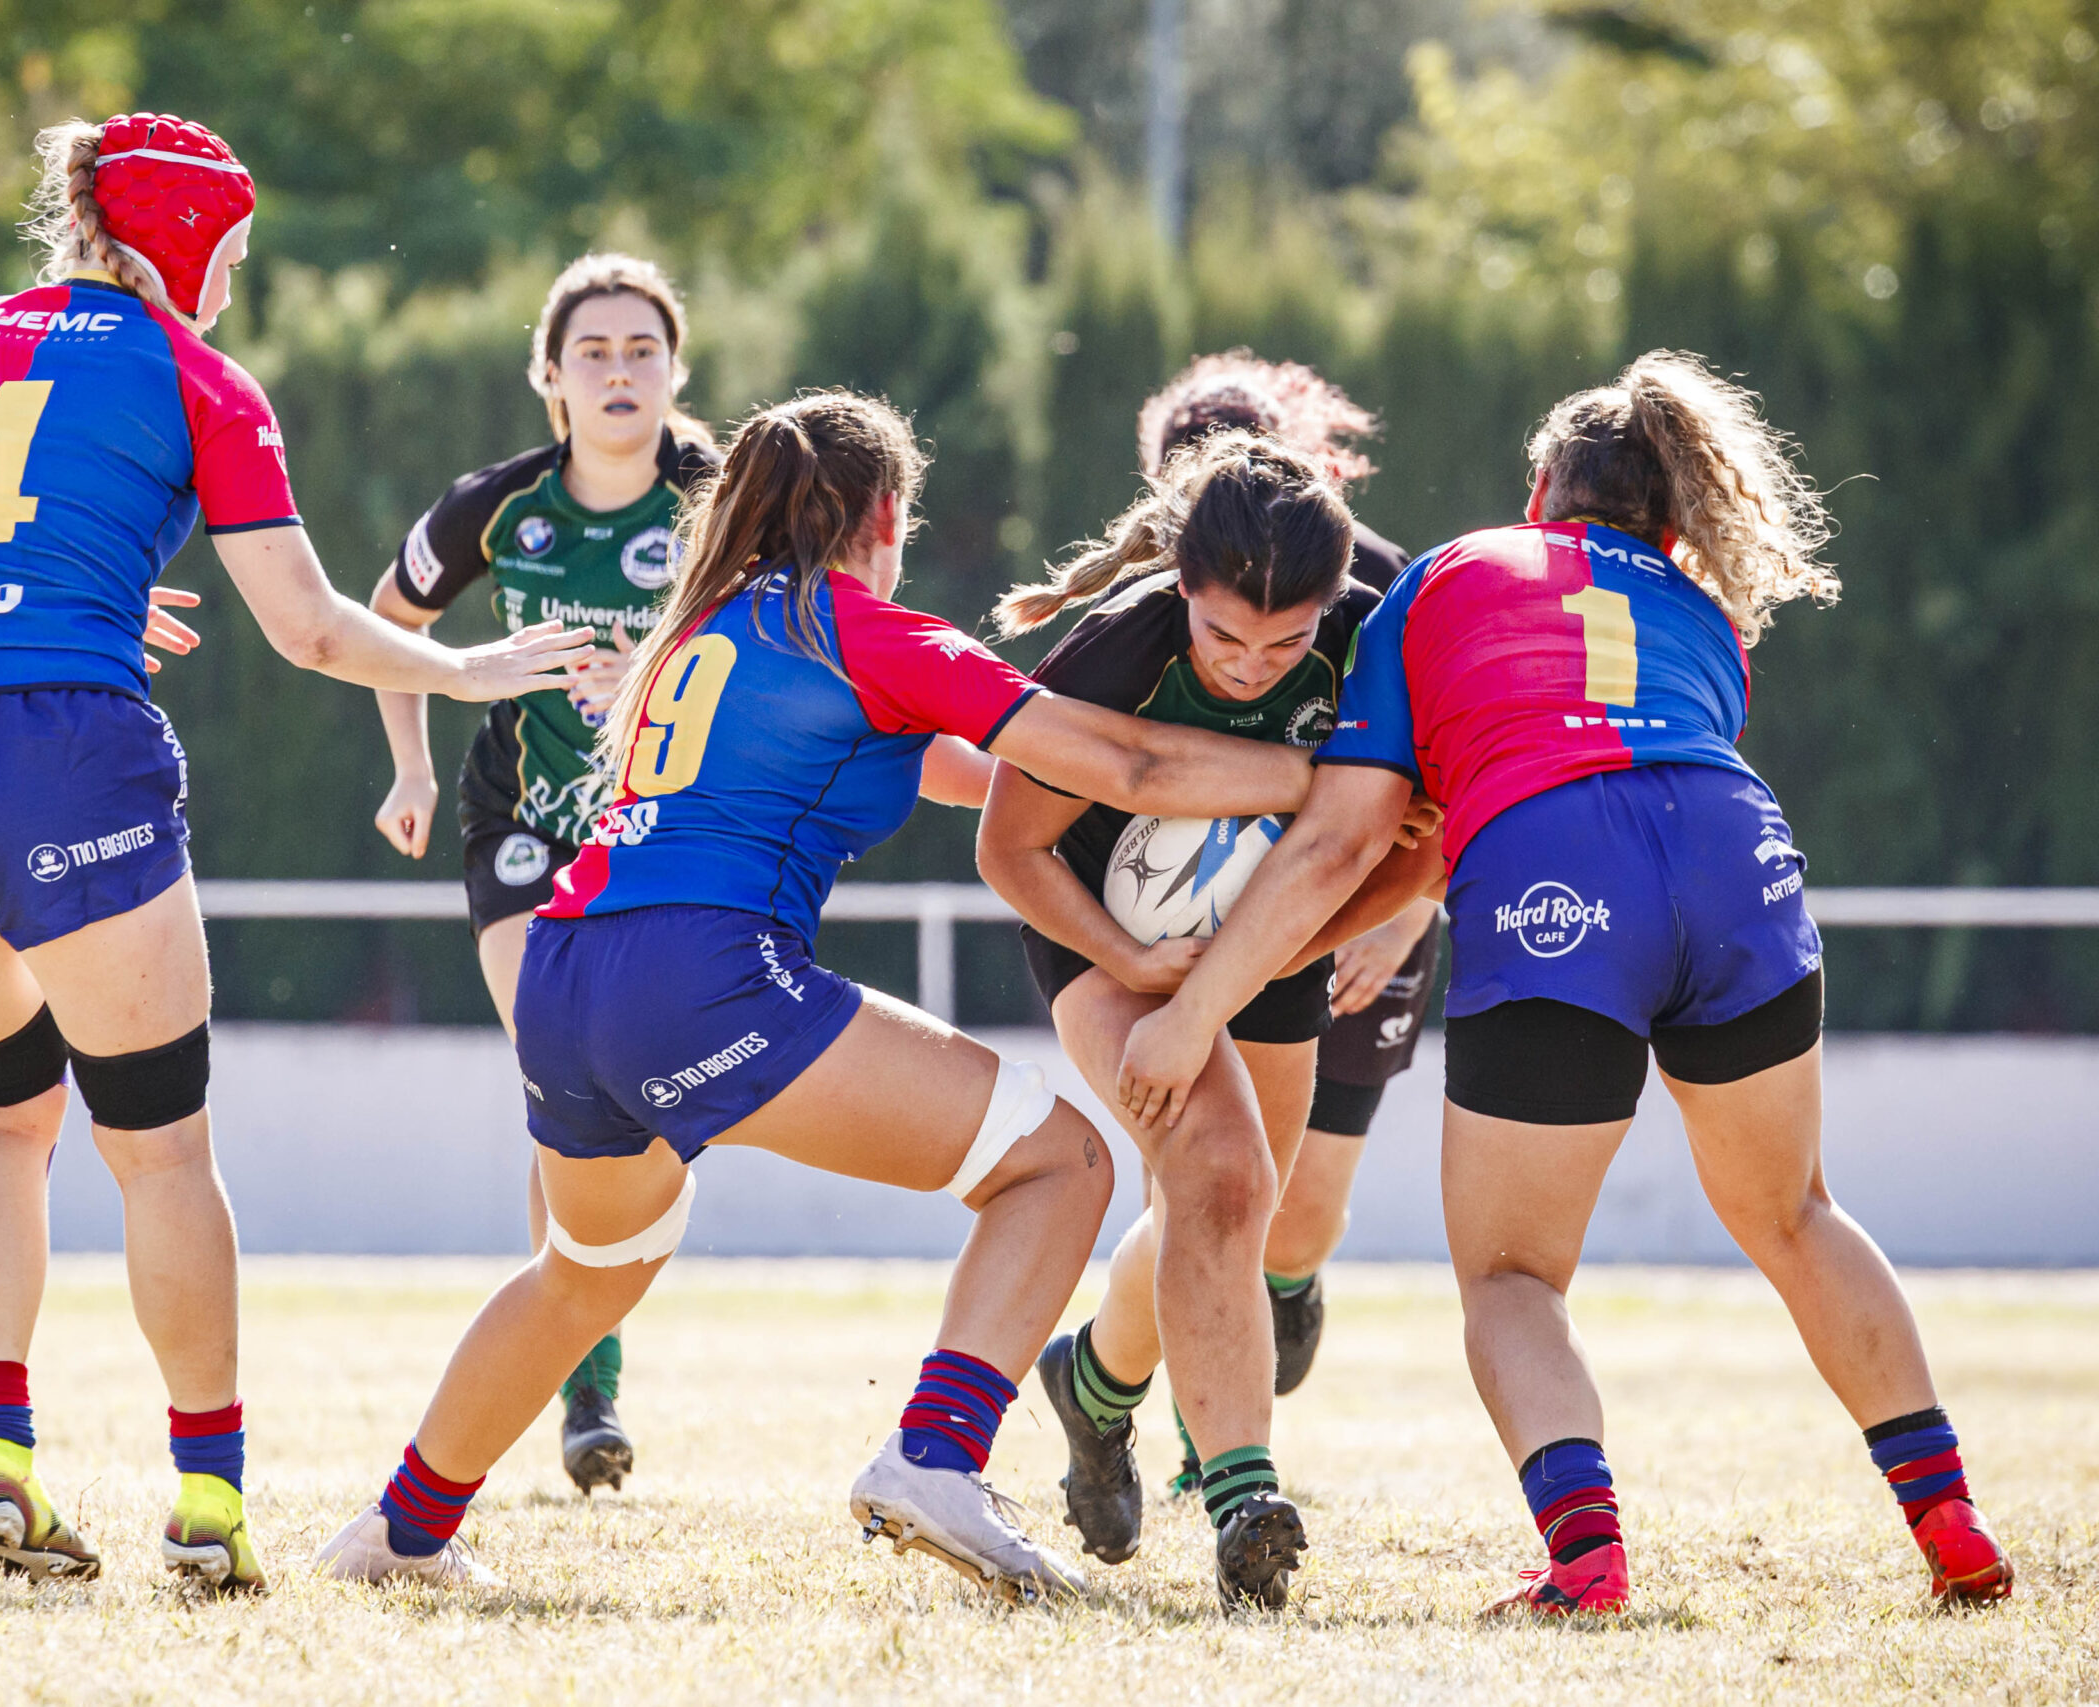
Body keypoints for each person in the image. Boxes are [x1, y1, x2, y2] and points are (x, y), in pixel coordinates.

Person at [314, 391, 1327, 1607]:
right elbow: (1129, 763)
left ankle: (399, 1532)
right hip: (704, 974)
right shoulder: (872, 630)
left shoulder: (702, 626)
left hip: (566, 974)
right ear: (884, 515)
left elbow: (987, 775)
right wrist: (1326, 780)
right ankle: (934, 1460)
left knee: (586, 1270)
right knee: (1060, 1167)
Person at [0, 113, 590, 1594]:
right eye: (225, 252)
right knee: (159, 1142)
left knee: (1, 1122)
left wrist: (40, 595)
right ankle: (210, 1502)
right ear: (180, 242)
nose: (229, 284)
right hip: (62, 748)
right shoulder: (196, 375)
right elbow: (305, 625)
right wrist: (474, 673)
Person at [1113, 351, 2015, 1613]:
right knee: (1797, 1214)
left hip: (1556, 877)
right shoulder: (1705, 614)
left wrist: (1194, 1006)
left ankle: (1586, 1558)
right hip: (1732, 854)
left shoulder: (1445, 574)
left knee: (1512, 1278)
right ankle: (1948, 1515)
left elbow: (1341, 836)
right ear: (1672, 510)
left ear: (1541, 488)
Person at [977, 427, 1435, 1597]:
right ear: (1182, 585)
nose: (1249, 666)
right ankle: (1244, 1504)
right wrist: (1137, 955)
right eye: (1224, 634)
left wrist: (1277, 950)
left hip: (1264, 941)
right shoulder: (1118, 644)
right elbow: (1008, 849)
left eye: (1285, 642)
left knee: (1239, 1213)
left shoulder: (1374, 643)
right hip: (1101, 932)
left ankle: (1092, 1383)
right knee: (1223, 1177)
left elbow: (1412, 850)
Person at [366, 254, 718, 1495]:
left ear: (676, 369)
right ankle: (587, 1387)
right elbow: (386, 625)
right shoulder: (496, 506)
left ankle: (587, 1336)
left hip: (673, 837)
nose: (619, 372)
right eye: (593, 354)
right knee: (567, 1067)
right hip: (520, 826)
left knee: (644, 1100)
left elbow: (812, 629)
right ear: (550, 379)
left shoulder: (723, 500)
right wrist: (410, 767)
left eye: (641, 351)